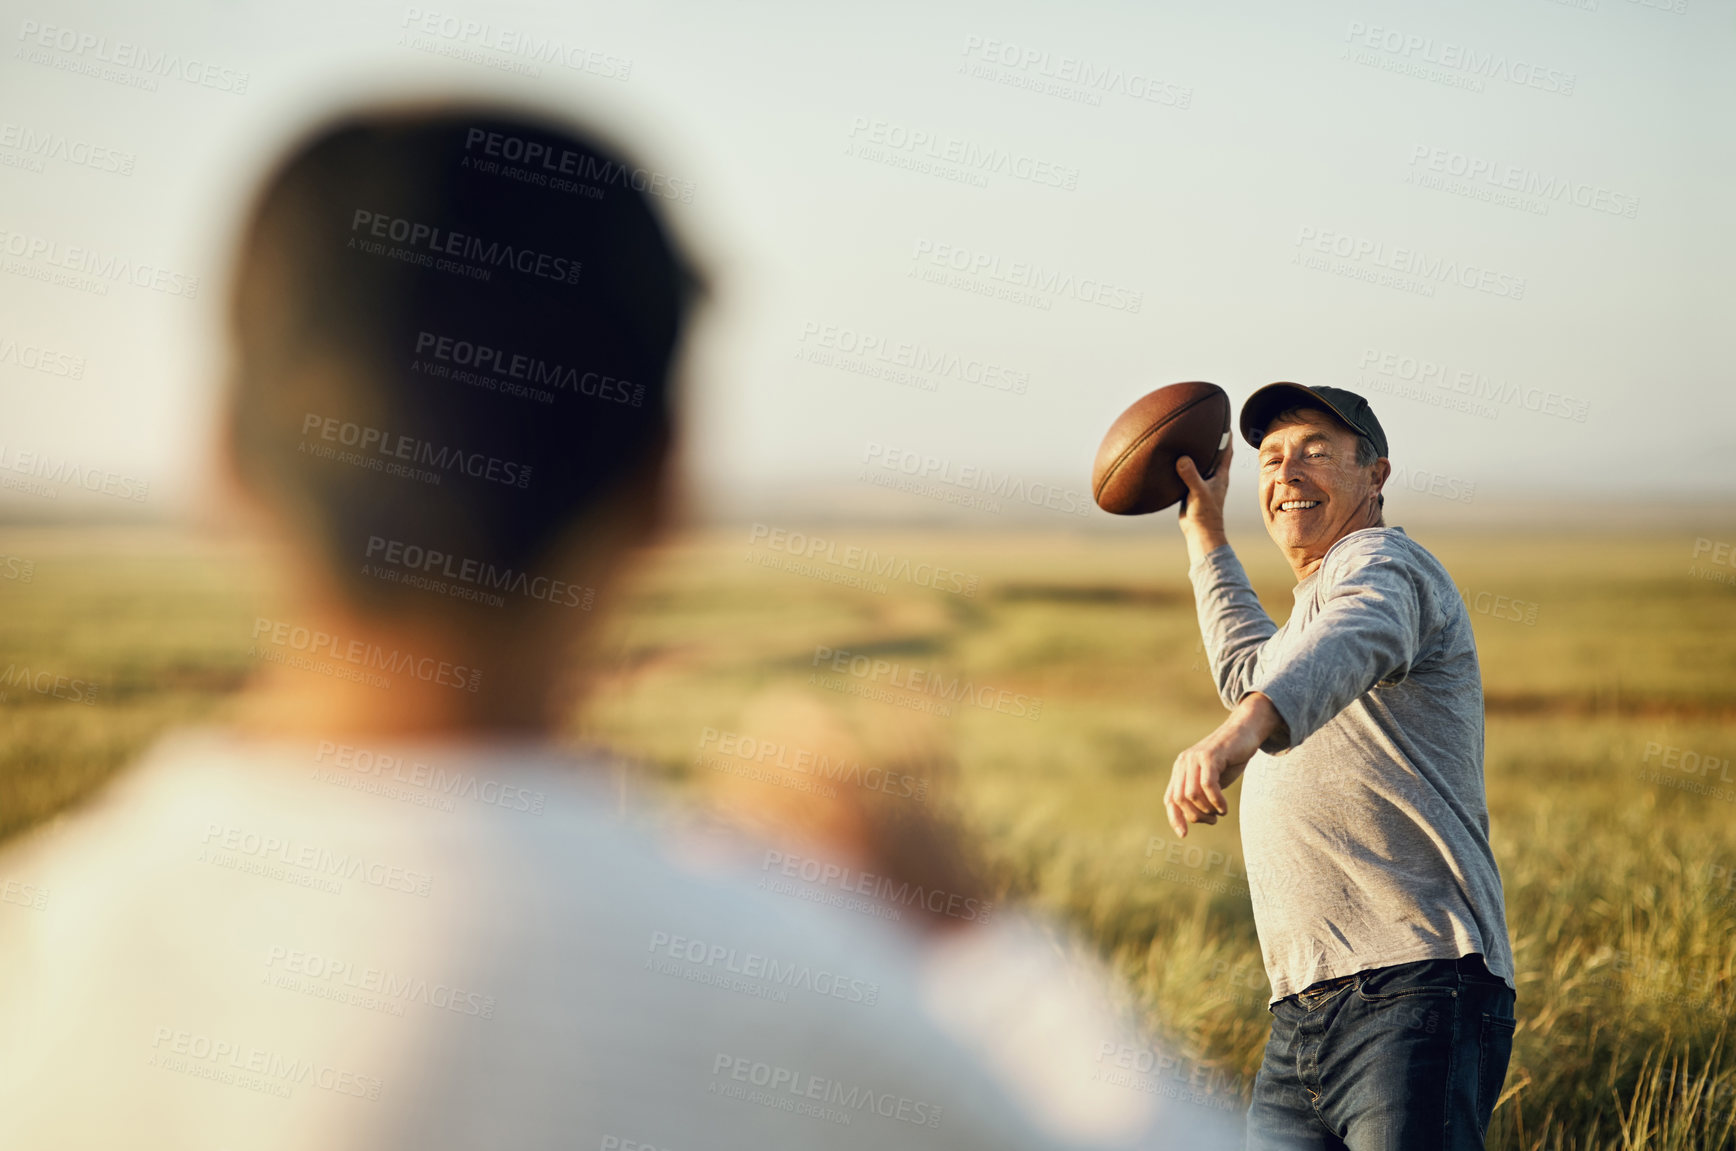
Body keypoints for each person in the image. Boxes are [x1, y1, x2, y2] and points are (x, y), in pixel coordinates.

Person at [0, 102, 1239, 1149]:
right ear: (666, 489)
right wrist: (978, 949)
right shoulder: (786, 990)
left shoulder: (40, 956)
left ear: (221, 462)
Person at [1163, 383, 1518, 1150]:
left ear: (1377, 474)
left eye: (1316, 452)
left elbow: (1358, 632)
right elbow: (1249, 667)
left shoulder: (1388, 565)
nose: (1287, 473)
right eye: (1273, 457)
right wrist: (1204, 532)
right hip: (1301, 1016)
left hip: (1415, 990)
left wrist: (1236, 737)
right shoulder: (1311, 606)